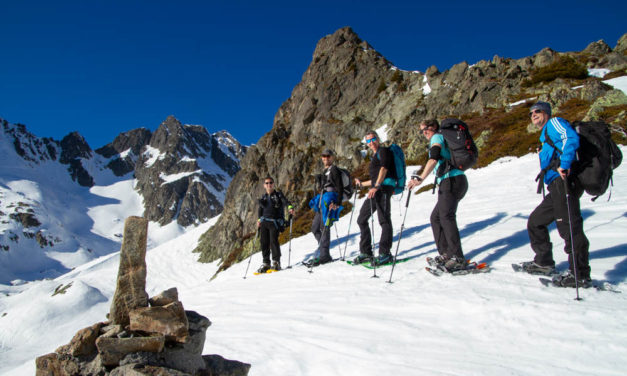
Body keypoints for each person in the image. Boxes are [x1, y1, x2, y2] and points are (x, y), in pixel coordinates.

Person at [522, 101, 590, 287]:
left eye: (538, 111)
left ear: (547, 112)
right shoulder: (545, 135)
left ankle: (580, 274)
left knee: (569, 226)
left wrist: (565, 164)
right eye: (531, 113)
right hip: (554, 186)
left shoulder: (554, 123)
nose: (533, 114)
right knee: (536, 222)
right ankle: (544, 262)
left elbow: (571, 139)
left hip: (564, 181)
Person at [407, 119, 468, 272]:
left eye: (425, 129)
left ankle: (457, 257)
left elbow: (433, 157)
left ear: (433, 127)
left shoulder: (437, 137)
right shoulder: (440, 137)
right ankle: (447, 253)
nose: (424, 133)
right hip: (452, 181)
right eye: (421, 131)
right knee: (436, 217)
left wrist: (421, 177)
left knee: (446, 216)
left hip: (452, 180)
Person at [353, 130, 397, 266]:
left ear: (378, 139)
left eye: (373, 139)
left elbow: (384, 169)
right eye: (368, 141)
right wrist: (362, 184)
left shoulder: (383, 151)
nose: (371, 143)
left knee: (384, 220)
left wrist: (376, 186)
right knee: (362, 219)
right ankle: (366, 252)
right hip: (377, 188)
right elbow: (374, 179)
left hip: (383, 188)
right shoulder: (375, 155)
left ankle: (385, 253)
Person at [308, 149, 346, 266]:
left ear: (332, 157)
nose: (326, 158)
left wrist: (337, 203)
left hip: (330, 200)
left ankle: (325, 255)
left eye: (328, 156)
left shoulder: (333, 169)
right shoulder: (325, 171)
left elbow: (339, 186)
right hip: (322, 200)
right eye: (324, 156)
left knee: (324, 226)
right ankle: (324, 250)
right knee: (315, 228)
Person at [257, 176, 294, 273]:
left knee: (273, 241)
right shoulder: (264, 197)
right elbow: (260, 210)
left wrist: (290, 207)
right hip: (264, 222)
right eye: (267, 183)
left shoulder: (278, 195)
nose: (269, 185)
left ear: (273, 184)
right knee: (264, 242)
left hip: (275, 222)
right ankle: (266, 263)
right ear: (264, 185)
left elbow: (286, 202)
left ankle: (276, 262)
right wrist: (258, 220)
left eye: (270, 183)